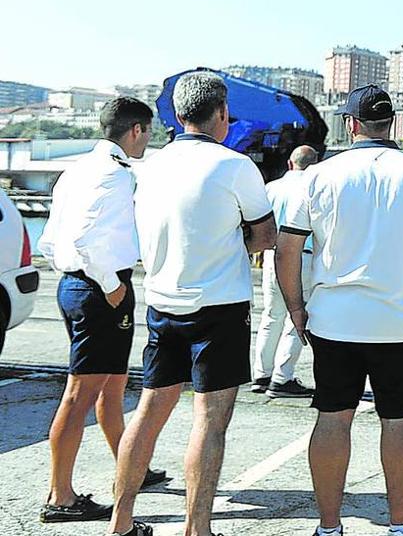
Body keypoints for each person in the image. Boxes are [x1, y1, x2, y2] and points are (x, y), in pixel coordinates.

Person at [275, 84, 403, 536]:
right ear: (391, 123)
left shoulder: (317, 175)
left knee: (333, 417)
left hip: (335, 320)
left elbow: (286, 249)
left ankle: (329, 527)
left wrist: (296, 308)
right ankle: (400, 525)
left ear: (351, 125)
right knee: (400, 421)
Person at [108, 71, 277, 536]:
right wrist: (229, 242)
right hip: (219, 306)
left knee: (148, 411)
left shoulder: (148, 167)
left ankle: (119, 522)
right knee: (209, 420)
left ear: (179, 116)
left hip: (162, 301)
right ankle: (196, 529)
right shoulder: (236, 166)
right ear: (221, 113)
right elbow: (265, 236)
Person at [37, 98, 168, 524]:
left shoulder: (75, 170)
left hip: (79, 286)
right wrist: (110, 286)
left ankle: (132, 468)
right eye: (148, 132)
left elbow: (51, 241)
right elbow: (83, 239)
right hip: (100, 288)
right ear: (135, 130)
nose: (148, 140)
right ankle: (60, 497)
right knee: (79, 396)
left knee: (113, 387)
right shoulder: (115, 175)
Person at [251, 145, 320, 398]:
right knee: (297, 317)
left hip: (272, 255)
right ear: (315, 164)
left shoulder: (272, 188)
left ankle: (261, 374)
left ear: (291, 164)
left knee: (271, 316)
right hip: (304, 256)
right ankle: (282, 377)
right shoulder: (315, 188)